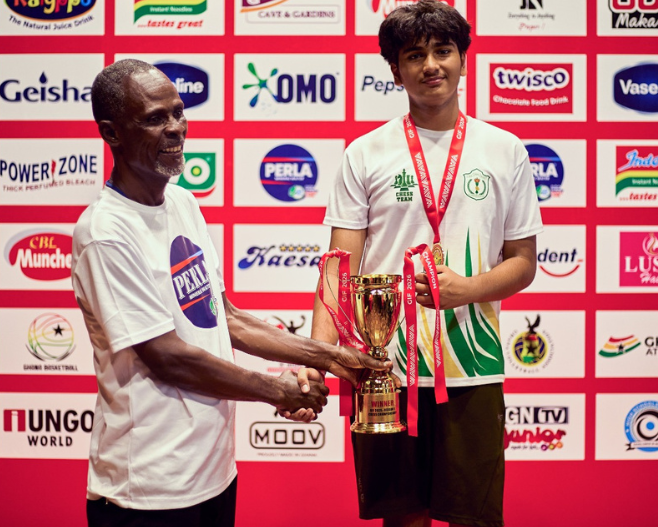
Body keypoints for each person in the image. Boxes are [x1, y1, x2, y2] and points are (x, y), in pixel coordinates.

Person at [73, 59, 390, 527]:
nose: (176, 128)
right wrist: (276, 390)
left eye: (178, 112)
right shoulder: (105, 233)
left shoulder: (182, 202)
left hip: (213, 473)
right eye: (155, 118)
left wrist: (330, 357)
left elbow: (225, 317)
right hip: (148, 489)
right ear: (111, 133)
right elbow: (167, 357)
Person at [310, 2, 543, 527]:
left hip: (473, 367)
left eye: (443, 51)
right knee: (402, 519)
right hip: (383, 369)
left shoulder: (505, 150)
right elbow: (337, 270)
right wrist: (317, 357)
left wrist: (468, 289)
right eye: (415, 56)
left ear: (463, 59)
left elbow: (524, 262)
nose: (431, 65)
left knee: (474, 518)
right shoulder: (365, 153)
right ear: (396, 71)